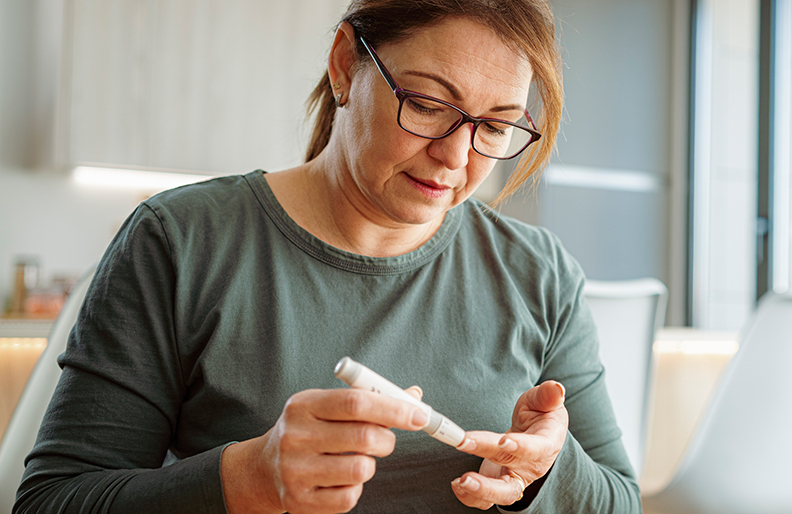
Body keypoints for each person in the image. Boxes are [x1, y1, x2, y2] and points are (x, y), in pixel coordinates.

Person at [15, 1, 641, 512]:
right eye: (425, 104)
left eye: (496, 126)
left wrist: (549, 469)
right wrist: (246, 479)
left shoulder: (540, 273)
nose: (456, 159)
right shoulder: (180, 241)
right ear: (346, 65)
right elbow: (55, 500)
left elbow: (621, 502)